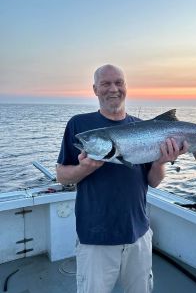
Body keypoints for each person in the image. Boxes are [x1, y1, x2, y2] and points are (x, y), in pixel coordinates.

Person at [56, 64, 188, 293]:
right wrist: (85, 168)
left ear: (126, 87)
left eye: (119, 82)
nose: (113, 89)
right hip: (95, 237)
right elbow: (61, 176)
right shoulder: (79, 125)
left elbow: (153, 182)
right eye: (106, 84)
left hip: (138, 233)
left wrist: (160, 162)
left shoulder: (143, 127)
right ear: (95, 89)